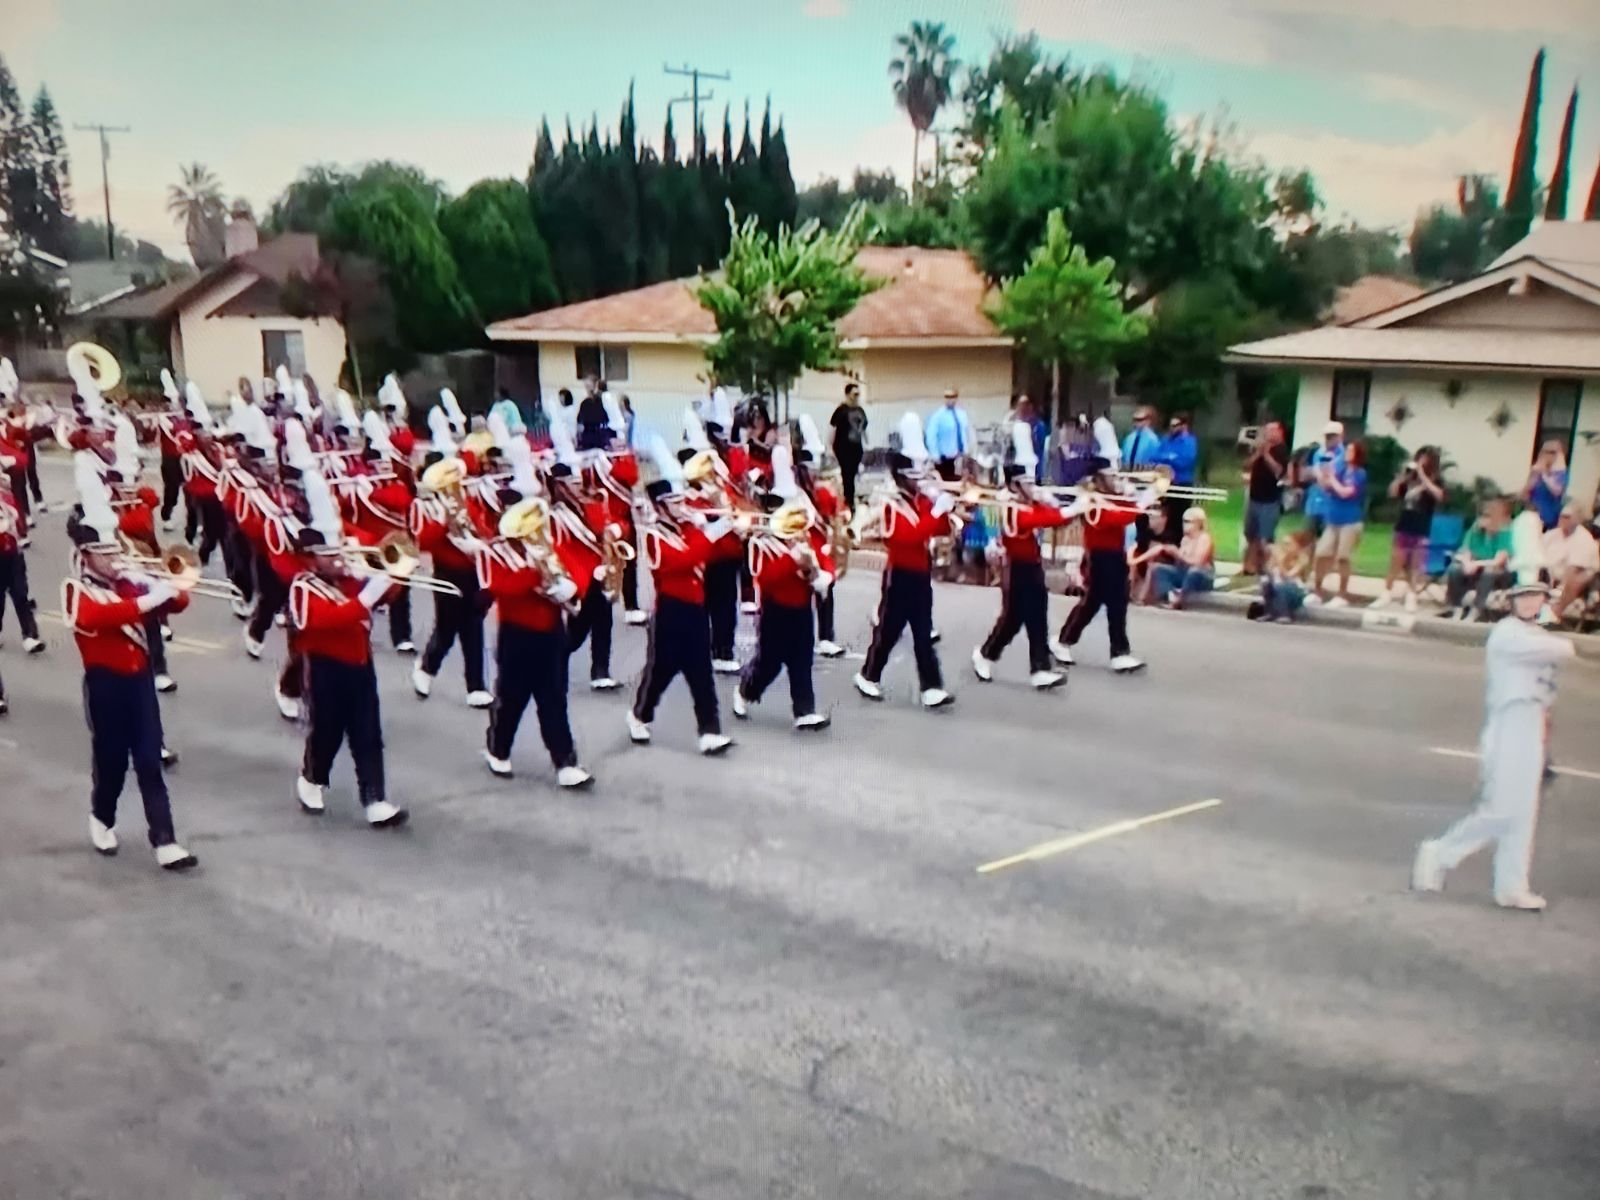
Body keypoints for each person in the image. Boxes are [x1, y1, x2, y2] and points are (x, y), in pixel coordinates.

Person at [64, 462, 198, 870]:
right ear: (87, 555)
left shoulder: (129, 580)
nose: (114, 558)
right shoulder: (77, 589)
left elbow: (178, 602)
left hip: (139, 683)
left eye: (114, 549)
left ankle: (166, 840)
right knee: (111, 763)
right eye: (105, 552)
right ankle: (102, 816)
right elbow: (96, 618)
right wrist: (148, 597)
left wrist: (163, 586)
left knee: (148, 760)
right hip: (104, 686)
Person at [1412, 580, 1576, 911]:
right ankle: (1440, 852)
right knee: (1502, 807)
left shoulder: (1537, 636)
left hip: (1533, 721)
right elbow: (1564, 650)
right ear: (1511, 602)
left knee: (1524, 811)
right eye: (1524, 597)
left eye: (1537, 597)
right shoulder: (1507, 634)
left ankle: (1512, 885)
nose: (1531, 603)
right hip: (1509, 721)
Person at [289, 469, 408, 828]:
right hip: (325, 668)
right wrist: (368, 595)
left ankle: (375, 798)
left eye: (338, 551)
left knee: (367, 731)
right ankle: (312, 777)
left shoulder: (351, 577)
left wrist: (387, 577)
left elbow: (389, 596)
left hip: (360, 662)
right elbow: (323, 620)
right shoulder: (303, 586)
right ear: (311, 557)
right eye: (329, 554)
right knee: (326, 731)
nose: (338, 559)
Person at [628, 440, 736, 755]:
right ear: (660, 506)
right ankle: (640, 714)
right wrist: (709, 529)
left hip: (695, 610)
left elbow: (711, 549)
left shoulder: (687, 526)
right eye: (674, 502)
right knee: (660, 672)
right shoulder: (655, 534)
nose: (682, 505)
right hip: (670, 614)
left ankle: (710, 731)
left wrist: (721, 518)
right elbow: (683, 559)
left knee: (701, 672)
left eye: (680, 500)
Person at [478, 499, 593, 786]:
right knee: (511, 699)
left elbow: (577, 572)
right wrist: (534, 574)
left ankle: (565, 762)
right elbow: (500, 587)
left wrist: (570, 586)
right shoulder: (495, 553)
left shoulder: (549, 548)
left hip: (551, 633)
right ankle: (498, 749)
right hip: (516, 634)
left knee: (553, 699)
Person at [853, 418, 957, 709]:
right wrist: (936, 510)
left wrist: (947, 510)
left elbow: (938, 530)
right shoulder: (890, 503)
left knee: (923, 634)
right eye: (916, 473)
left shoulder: (920, 499)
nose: (921, 479)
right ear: (902, 474)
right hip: (899, 575)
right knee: (888, 632)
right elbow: (908, 536)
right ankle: (869, 675)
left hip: (921, 573)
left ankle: (931, 687)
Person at [972, 424, 1079, 689]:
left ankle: (1035, 666)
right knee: (1016, 617)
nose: (1033, 487)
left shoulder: (1024, 500)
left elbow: (1048, 513)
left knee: (1031, 615)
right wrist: (1075, 507)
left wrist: (1048, 498)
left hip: (1030, 565)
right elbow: (1045, 519)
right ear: (1014, 484)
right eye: (1027, 483)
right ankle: (992, 655)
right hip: (1017, 568)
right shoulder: (1012, 507)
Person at [732, 487, 834, 731]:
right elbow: (762, 577)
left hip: (801, 610)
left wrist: (822, 574)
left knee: (802, 660)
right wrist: (791, 560)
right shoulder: (760, 543)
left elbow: (825, 563)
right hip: (774, 611)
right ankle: (746, 690)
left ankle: (804, 711)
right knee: (770, 663)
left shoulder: (804, 538)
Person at [1051, 468, 1153, 673]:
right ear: (1099, 478)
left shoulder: (1110, 497)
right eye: (1112, 476)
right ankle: (1119, 652)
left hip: (1115, 555)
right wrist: (1142, 502)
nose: (1117, 480)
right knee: (1115, 603)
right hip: (1100, 557)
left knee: (1094, 603)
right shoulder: (1091, 499)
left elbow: (1126, 510)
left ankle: (1064, 640)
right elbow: (1116, 518)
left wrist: (1133, 495)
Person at [1374, 447, 1445, 612]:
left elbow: (1439, 496)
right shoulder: (1410, 480)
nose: (1421, 462)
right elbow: (1392, 493)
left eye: (1425, 459)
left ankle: (1412, 595)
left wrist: (1423, 476)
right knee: (1396, 561)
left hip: (1421, 526)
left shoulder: (1436, 480)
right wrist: (1401, 478)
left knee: (1415, 564)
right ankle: (1386, 593)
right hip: (1404, 523)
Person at [1309, 439, 1366, 607]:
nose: (1347, 453)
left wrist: (1332, 478)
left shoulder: (1359, 473)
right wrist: (1323, 473)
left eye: (1351, 451)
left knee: (1343, 557)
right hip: (1333, 519)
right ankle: (1317, 591)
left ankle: (1342, 594)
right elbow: (1326, 487)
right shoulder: (1340, 470)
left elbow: (1345, 492)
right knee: (1321, 553)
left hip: (1350, 520)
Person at [1442, 497, 1513, 621]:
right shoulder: (1475, 530)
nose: (1483, 520)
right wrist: (1467, 563)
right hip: (1476, 567)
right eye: (1483, 516)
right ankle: (1457, 607)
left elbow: (1498, 561)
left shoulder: (1504, 533)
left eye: (1487, 516)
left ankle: (1476, 610)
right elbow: (1466, 551)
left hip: (1498, 571)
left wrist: (1476, 564)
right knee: (1455, 569)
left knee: (1489, 571)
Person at [1241, 420, 1289, 574]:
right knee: (1250, 535)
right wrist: (1258, 454)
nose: (1268, 433)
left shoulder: (1282, 451)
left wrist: (1266, 454)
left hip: (1270, 501)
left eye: (1271, 430)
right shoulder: (1259, 448)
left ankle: (1269, 568)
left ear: (1279, 432)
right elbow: (1247, 465)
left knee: (1265, 538)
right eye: (1266, 430)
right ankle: (1250, 567)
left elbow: (1279, 471)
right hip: (1254, 498)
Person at [1541, 503, 1598, 625]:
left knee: (1578, 577)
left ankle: (1555, 612)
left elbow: (1573, 571)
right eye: (1562, 516)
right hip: (1547, 579)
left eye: (1567, 517)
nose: (1563, 520)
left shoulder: (1584, 539)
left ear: (1578, 519)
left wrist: (1556, 590)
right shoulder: (1551, 535)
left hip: (1574, 585)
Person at [1150, 507, 1215, 609]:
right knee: (1159, 569)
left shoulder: (1204, 538)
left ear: (1198, 523)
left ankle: (1179, 600)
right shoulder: (1185, 539)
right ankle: (1169, 596)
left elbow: (1198, 562)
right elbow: (1180, 563)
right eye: (1183, 521)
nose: (1184, 524)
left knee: (1194, 572)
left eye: (1187, 521)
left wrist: (1178, 554)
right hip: (1184, 572)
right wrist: (1173, 554)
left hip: (1202, 575)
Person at [1257, 530, 1315, 622]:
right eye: (1283, 544)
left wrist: (1280, 562)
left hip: (1295, 591)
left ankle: (1285, 614)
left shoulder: (1303, 559)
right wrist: (1271, 559)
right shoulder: (1280, 556)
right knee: (1266, 585)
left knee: (1281, 587)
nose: (1285, 547)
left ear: (1297, 546)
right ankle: (1269, 612)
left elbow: (1288, 576)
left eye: (1288, 544)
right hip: (1278, 587)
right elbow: (1268, 572)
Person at [1128, 504, 1180, 605]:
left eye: (1154, 517)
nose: (1151, 520)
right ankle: (1129, 593)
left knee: (1152, 563)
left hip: (1162, 565)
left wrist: (1137, 560)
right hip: (1145, 562)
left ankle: (1142, 597)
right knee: (1135, 560)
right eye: (1150, 517)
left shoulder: (1170, 535)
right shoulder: (1146, 533)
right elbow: (1135, 545)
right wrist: (1133, 558)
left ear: (1163, 519)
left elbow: (1159, 550)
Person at [1154, 412, 1199, 526]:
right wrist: (1170, 457)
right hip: (1165, 483)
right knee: (1165, 516)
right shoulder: (1166, 439)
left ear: (1184, 426)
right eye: (1171, 425)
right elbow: (1155, 457)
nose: (1172, 428)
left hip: (1182, 483)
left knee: (1180, 517)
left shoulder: (1189, 441)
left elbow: (1185, 462)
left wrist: (1167, 458)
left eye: (1175, 425)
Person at [828, 383, 868, 508]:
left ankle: (850, 500)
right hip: (843, 448)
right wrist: (830, 447)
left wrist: (867, 445)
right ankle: (849, 502)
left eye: (858, 394)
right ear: (848, 395)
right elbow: (832, 428)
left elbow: (863, 429)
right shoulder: (841, 410)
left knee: (852, 475)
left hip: (856, 449)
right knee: (847, 476)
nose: (857, 397)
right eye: (854, 394)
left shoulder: (860, 410)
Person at [923, 388, 971, 482]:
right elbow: (931, 436)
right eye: (947, 397)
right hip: (943, 457)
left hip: (957, 455)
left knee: (957, 480)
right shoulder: (938, 416)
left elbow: (964, 432)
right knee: (944, 482)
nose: (950, 400)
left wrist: (966, 450)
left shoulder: (961, 414)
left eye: (952, 397)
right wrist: (935, 455)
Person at [1523, 441, 1567, 531]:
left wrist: (1544, 473)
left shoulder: (1561, 473)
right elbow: (1525, 495)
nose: (1547, 455)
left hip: (1550, 523)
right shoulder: (1536, 471)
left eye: (1552, 452)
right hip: (1533, 519)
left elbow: (1557, 491)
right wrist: (1533, 475)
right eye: (1544, 451)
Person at [1119, 406, 1160, 471]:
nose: (1136, 423)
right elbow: (1123, 456)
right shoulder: (1129, 438)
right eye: (1135, 420)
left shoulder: (1153, 440)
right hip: (1128, 471)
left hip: (1145, 473)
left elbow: (1156, 459)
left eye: (1140, 420)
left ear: (1148, 421)